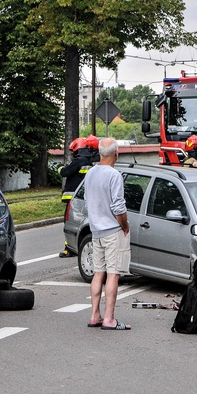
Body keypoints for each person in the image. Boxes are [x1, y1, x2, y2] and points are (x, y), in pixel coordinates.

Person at [83, 137, 131, 330]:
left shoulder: (90, 174)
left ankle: (95, 315)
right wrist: (125, 226)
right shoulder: (114, 175)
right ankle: (110, 319)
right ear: (116, 154)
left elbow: (88, 202)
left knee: (98, 273)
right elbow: (118, 206)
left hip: (96, 231)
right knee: (113, 274)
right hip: (112, 231)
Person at [58, 135, 98, 257]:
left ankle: (68, 249)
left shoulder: (78, 161)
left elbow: (65, 172)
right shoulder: (89, 162)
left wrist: (60, 167)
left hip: (73, 198)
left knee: (70, 222)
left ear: (78, 149)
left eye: (74, 151)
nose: (74, 153)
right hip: (82, 197)